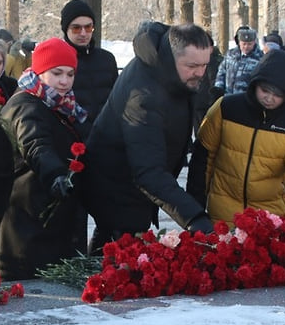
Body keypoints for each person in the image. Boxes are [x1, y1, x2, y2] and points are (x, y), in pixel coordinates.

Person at [80, 21, 214, 249]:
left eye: (205, 65)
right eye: (192, 66)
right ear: (172, 57)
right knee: (119, 261)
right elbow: (147, 172)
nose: (200, 73)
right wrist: (195, 218)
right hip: (117, 188)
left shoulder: (174, 72)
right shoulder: (143, 95)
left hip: (139, 186)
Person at [0, 37, 89, 279]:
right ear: (39, 72)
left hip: (47, 221)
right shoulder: (26, 105)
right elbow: (35, 144)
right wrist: (56, 175)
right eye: (56, 73)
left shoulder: (60, 106)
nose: (64, 81)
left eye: (70, 74)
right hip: (26, 227)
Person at [190, 47, 285, 225]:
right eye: (265, 90)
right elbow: (203, 159)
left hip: (267, 220)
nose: (269, 98)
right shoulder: (226, 108)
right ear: (256, 84)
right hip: (223, 215)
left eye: (278, 95)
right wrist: (195, 210)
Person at [59, 0, 118, 125]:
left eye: (88, 27)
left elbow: (118, 99)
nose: (83, 33)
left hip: (107, 134)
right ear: (66, 29)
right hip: (73, 136)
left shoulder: (107, 59)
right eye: (76, 28)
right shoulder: (57, 61)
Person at [212, 26, 264, 99]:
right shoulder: (231, 54)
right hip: (227, 97)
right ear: (239, 42)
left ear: (254, 43)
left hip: (247, 99)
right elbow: (222, 71)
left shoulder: (260, 58)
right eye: (244, 44)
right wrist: (218, 87)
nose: (246, 47)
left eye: (249, 44)